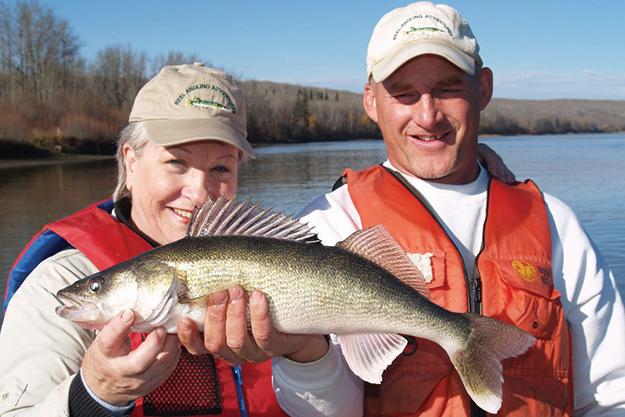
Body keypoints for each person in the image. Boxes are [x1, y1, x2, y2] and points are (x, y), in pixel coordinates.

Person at [271, 2, 625, 417]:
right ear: (371, 101)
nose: (428, 115)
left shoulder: (554, 222)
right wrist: (301, 355)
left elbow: (610, 391)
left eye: (447, 88)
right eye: (404, 93)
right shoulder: (327, 224)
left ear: (484, 89)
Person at [0, 63, 325, 417]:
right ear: (132, 160)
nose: (200, 193)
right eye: (176, 162)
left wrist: (306, 355)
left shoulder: (273, 263)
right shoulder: (58, 282)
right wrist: (95, 394)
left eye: (220, 168)